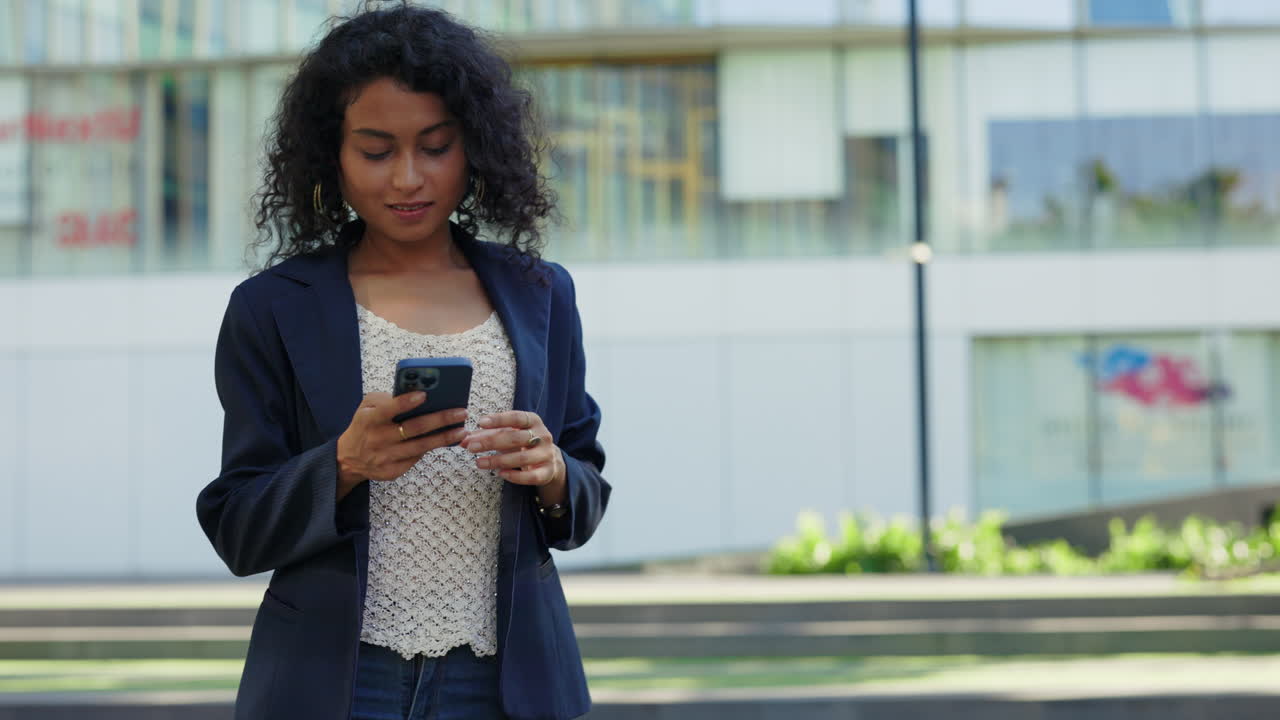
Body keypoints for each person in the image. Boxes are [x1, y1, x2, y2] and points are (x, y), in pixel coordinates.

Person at [195, 3, 610, 719]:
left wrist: (551, 473)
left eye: (436, 146)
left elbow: (583, 492)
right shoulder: (271, 308)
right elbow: (236, 525)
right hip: (338, 682)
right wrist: (345, 462)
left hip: (509, 682)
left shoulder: (542, 293)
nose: (408, 178)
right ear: (333, 153)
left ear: (474, 145)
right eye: (377, 150)